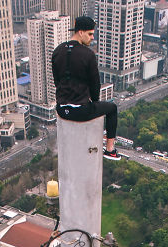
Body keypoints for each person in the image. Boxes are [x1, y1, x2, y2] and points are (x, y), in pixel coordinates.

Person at [51, 16, 120, 161]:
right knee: (112, 108)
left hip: (62, 109)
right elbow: (95, 85)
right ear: (80, 32)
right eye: (90, 34)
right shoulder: (88, 55)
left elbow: (57, 82)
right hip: (81, 111)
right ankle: (110, 149)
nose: (92, 38)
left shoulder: (57, 51)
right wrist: (94, 102)